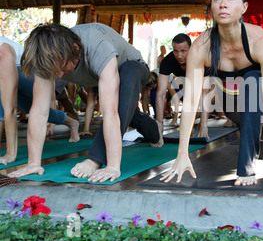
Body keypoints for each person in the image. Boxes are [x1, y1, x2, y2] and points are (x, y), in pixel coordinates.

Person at [161, 0, 263, 188]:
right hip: (231, 97)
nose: (223, 3)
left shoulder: (260, 41)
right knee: (244, 109)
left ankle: (246, 167)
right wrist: (182, 154)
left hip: (262, 91)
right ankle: (250, 127)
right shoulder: (201, 46)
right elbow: (190, 103)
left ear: (244, 7)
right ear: (212, 7)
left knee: (252, 80)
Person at [8, 22, 161, 183]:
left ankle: (95, 159)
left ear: (76, 49)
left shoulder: (98, 46)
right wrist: (33, 163)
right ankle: (152, 129)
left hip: (133, 67)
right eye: (54, 71)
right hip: (100, 76)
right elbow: (39, 111)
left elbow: (110, 112)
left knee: (124, 90)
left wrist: (112, 166)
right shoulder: (47, 56)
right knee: (128, 111)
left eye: (62, 67)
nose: (59, 76)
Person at [0, 37, 79, 166]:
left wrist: (10, 154)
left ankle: (72, 123)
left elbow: (11, 110)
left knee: (35, 109)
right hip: (6, 69)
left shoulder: (3, 53)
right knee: (8, 108)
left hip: (25, 70)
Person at [154, 33, 209, 146]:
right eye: (176, 51)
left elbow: (204, 93)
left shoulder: (200, 57)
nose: (179, 55)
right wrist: (159, 127)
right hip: (183, 83)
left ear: (191, 48)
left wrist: (204, 125)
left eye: (183, 51)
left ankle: (200, 121)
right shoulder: (167, 61)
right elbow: (161, 93)